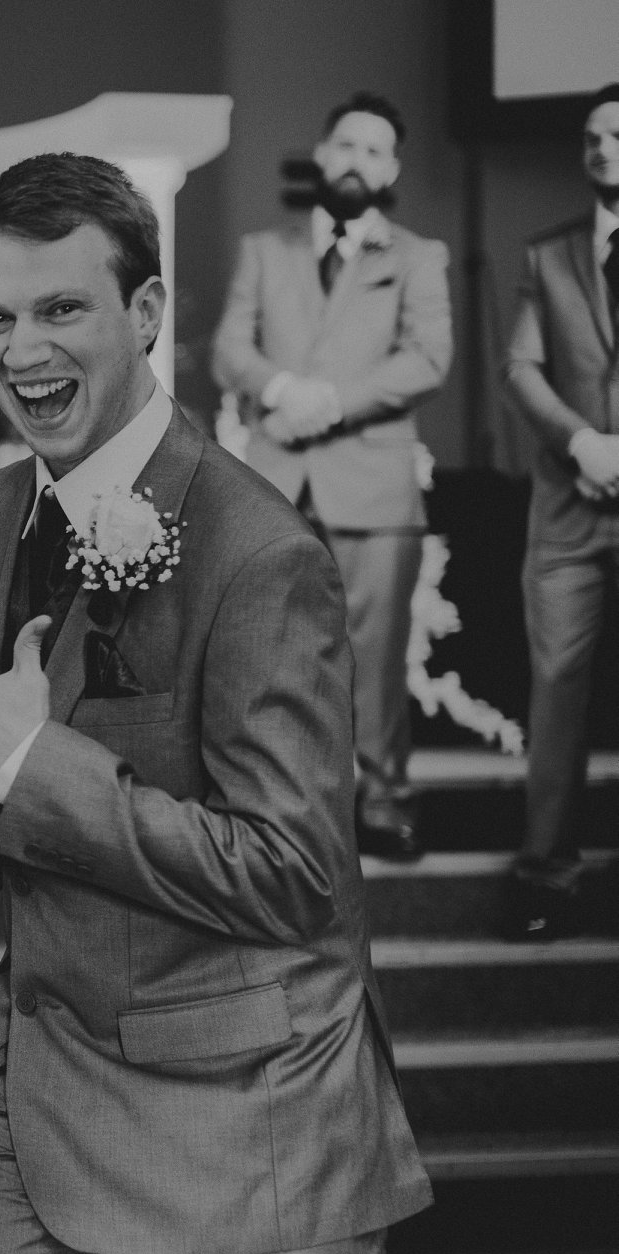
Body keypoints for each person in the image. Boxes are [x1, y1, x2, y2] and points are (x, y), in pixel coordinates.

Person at [0, 154, 429, 1254]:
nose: (20, 350)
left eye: (60, 309)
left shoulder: (258, 552)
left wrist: (29, 761)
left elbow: (289, 872)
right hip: (38, 1073)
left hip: (239, 1096)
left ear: (145, 311)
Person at [212, 92, 453, 863]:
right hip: (272, 482)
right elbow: (230, 350)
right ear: (322, 153)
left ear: (392, 171)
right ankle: (278, 808)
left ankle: (384, 804)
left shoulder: (419, 256)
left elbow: (428, 359)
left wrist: (328, 403)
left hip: (374, 487)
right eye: (346, 143)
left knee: (374, 657)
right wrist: (282, 392)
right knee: (267, 653)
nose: (357, 159)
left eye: (376, 150)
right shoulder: (263, 248)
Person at [498, 83, 619, 940]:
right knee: (558, 689)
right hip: (569, 510)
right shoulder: (548, 257)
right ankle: (548, 871)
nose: (603, 148)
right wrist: (584, 444)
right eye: (591, 137)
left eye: (618, 134)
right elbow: (522, 369)